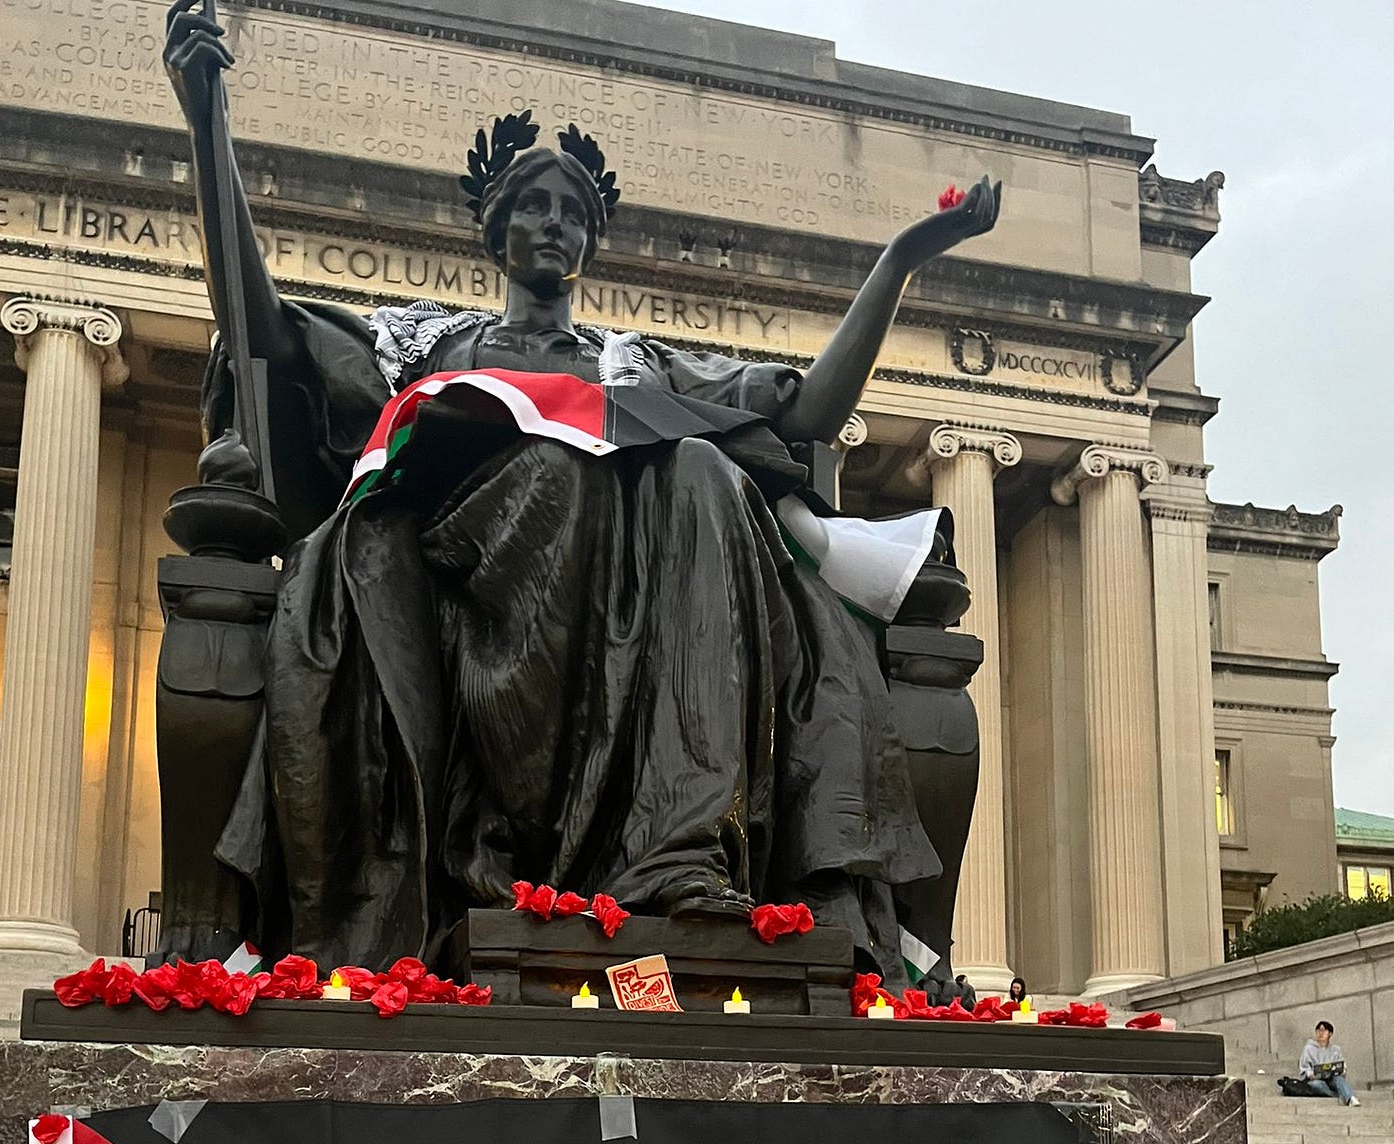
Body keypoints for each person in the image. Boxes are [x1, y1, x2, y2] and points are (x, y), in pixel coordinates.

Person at [161, 0, 1003, 976]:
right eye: (532, 205)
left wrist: (900, 259)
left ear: (590, 240)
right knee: (585, 467)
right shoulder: (428, 345)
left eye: (571, 211)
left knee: (699, 466)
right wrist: (207, 117)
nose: (552, 223)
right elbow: (263, 337)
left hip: (638, 603)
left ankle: (681, 846)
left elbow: (806, 415)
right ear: (494, 226)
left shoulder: (631, 367)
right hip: (474, 583)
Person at [1299, 1021, 1361, 1105]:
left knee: (1339, 1080)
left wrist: (1341, 1070)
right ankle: (1336, 1095)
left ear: (1330, 1033)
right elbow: (1304, 1068)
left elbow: (1342, 1066)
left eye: (1323, 1031)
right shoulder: (1308, 1049)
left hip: (1332, 1079)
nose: (1320, 1033)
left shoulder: (1336, 1049)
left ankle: (1350, 1098)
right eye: (1318, 1031)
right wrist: (1312, 1074)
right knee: (1316, 1085)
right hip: (1316, 1079)